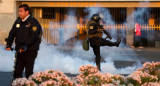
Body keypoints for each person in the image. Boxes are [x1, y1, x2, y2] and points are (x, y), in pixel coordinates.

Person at [5, 4, 42, 79]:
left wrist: (25, 45)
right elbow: (12, 33)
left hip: (30, 50)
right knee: (17, 72)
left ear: (27, 12)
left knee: (28, 72)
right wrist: (9, 44)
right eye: (19, 11)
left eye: (21, 11)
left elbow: (34, 37)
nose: (19, 13)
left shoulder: (33, 22)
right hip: (20, 50)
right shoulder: (18, 21)